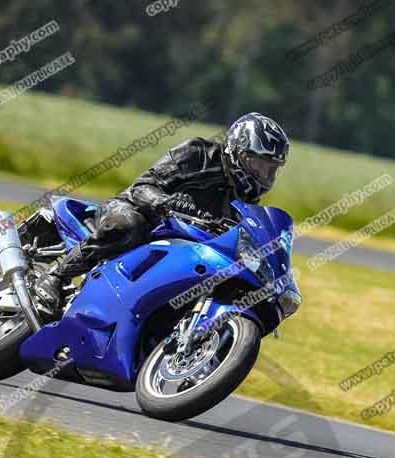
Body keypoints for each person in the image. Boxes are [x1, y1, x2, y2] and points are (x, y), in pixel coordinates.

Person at [34, 112, 291, 315]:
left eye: (271, 170)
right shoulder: (197, 154)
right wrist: (164, 203)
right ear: (238, 150)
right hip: (139, 211)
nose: (263, 175)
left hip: (183, 244)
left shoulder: (246, 198)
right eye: (258, 164)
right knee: (128, 226)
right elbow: (143, 187)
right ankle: (55, 277)